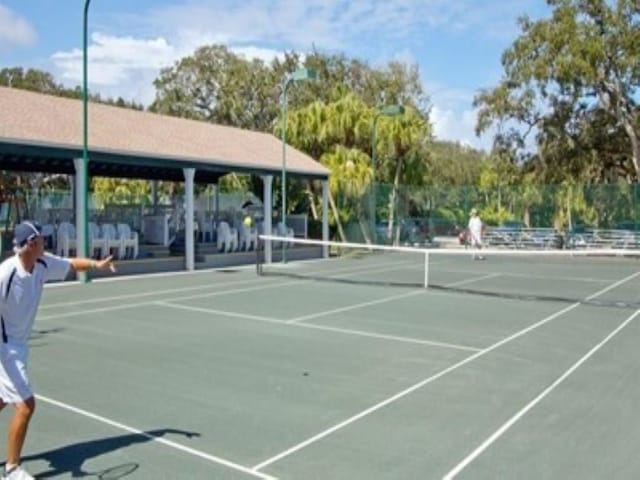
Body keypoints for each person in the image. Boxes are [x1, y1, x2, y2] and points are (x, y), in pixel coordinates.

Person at [0, 221, 116, 480]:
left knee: (5, 398)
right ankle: (11, 469)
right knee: (26, 406)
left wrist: (96, 265)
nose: (45, 242)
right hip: (3, 348)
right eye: (41, 239)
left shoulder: (43, 262)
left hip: (18, 345)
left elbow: (72, 264)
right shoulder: (5, 274)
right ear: (30, 244)